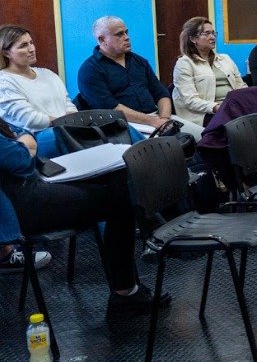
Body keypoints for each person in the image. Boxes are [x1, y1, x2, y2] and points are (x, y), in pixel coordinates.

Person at [0, 117, 169, 312]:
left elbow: (22, 132)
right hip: (22, 207)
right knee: (118, 200)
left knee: (115, 179)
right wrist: (25, 143)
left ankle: (147, 242)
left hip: (31, 186)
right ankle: (126, 292)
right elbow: (21, 159)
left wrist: (24, 142)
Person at [77, 16, 176, 131]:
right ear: (102, 39)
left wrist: (164, 118)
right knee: (170, 140)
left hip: (157, 117)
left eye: (126, 32)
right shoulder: (89, 70)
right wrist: (154, 122)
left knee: (194, 132)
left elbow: (162, 94)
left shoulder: (140, 61)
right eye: (119, 34)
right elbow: (111, 109)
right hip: (123, 125)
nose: (127, 37)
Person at [0, 25, 77, 156]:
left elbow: (68, 103)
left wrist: (73, 119)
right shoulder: (4, 81)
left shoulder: (48, 74)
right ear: (6, 53)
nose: (31, 49)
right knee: (57, 135)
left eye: (31, 42)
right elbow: (30, 119)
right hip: (35, 138)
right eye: (23, 45)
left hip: (65, 128)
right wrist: (67, 122)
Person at [172, 17, 247, 128]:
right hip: (203, 114)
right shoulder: (184, 63)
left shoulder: (225, 59)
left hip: (231, 107)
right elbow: (191, 100)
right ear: (193, 39)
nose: (212, 37)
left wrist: (245, 102)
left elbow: (241, 86)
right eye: (207, 33)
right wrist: (217, 107)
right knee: (239, 126)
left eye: (213, 33)